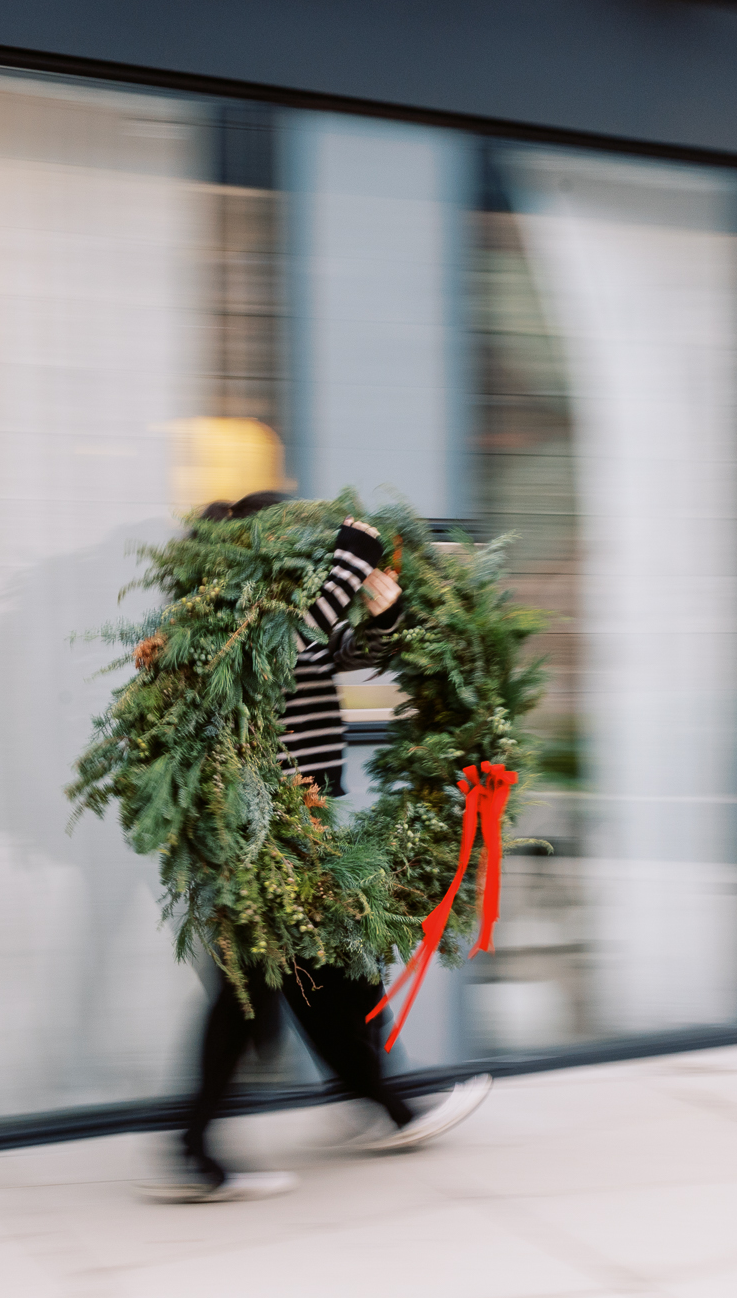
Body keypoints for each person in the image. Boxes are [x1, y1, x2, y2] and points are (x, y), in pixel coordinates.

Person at [139, 491, 492, 1203]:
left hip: (297, 820)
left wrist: (385, 609)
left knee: (328, 972)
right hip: (251, 829)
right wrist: (347, 562)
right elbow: (275, 654)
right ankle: (196, 1148)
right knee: (256, 994)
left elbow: (360, 651)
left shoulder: (291, 617)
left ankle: (380, 1103)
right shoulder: (223, 623)